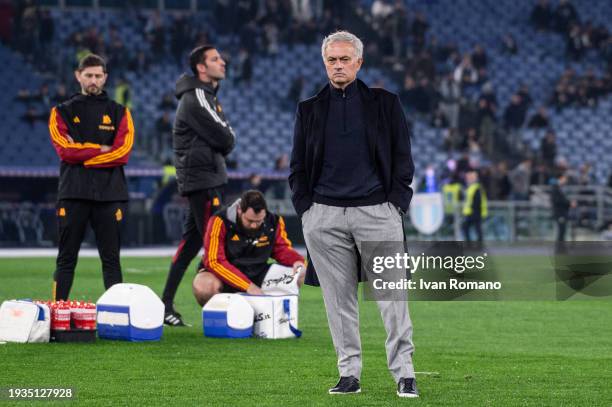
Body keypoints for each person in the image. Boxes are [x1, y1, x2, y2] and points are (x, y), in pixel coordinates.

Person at [289, 31, 418, 398]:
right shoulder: (309, 109)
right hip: (324, 217)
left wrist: (395, 204)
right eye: (332, 59)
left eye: (345, 59)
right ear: (324, 62)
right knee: (338, 302)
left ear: (359, 63)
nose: (339, 65)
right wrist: (306, 210)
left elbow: (402, 158)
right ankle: (349, 374)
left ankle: (404, 373)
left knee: (393, 298)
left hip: (377, 212)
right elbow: (297, 165)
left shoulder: (385, 103)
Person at [48, 54, 134, 300]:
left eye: (98, 75)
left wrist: (83, 155)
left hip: (110, 195)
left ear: (105, 77)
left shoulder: (120, 112)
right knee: (66, 258)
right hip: (73, 193)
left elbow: (123, 153)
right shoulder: (61, 112)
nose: (94, 80)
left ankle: (116, 315)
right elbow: (64, 150)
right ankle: (58, 313)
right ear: (78, 76)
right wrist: (100, 149)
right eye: (88, 75)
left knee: (111, 260)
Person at [161, 45, 236, 326]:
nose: (223, 62)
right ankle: (223, 304)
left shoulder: (205, 96)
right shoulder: (197, 97)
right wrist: (226, 137)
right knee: (215, 243)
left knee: (192, 242)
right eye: (216, 59)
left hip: (203, 177)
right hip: (203, 179)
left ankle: (165, 304)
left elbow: (222, 135)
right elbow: (227, 137)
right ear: (201, 68)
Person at [192, 190, 305, 305]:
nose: (254, 225)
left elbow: (281, 249)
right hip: (224, 275)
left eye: (259, 221)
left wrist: (297, 261)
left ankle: (273, 317)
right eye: (250, 221)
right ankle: (219, 319)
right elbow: (214, 262)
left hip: (257, 272)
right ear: (239, 210)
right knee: (204, 285)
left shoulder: (274, 222)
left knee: (299, 273)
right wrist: (248, 286)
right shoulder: (219, 221)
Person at [462, 170, 488, 244]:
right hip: (473, 211)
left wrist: (474, 210)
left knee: (469, 227)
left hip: (474, 212)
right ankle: (476, 243)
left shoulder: (476, 188)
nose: (467, 179)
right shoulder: (473, 187)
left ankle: (472, 243)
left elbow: (477, 201)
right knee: (475, 228)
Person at [551, 174, 575, 242]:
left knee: (563, 231)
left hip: (563, 213)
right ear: (560, 178)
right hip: (559, 213)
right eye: (565, 179)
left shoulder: (560, 188)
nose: (566, 181)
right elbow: (558, 200)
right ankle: (559, 248)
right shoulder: (555, 188)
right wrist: (569, 203)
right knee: (561, 231)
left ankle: (561, 248)